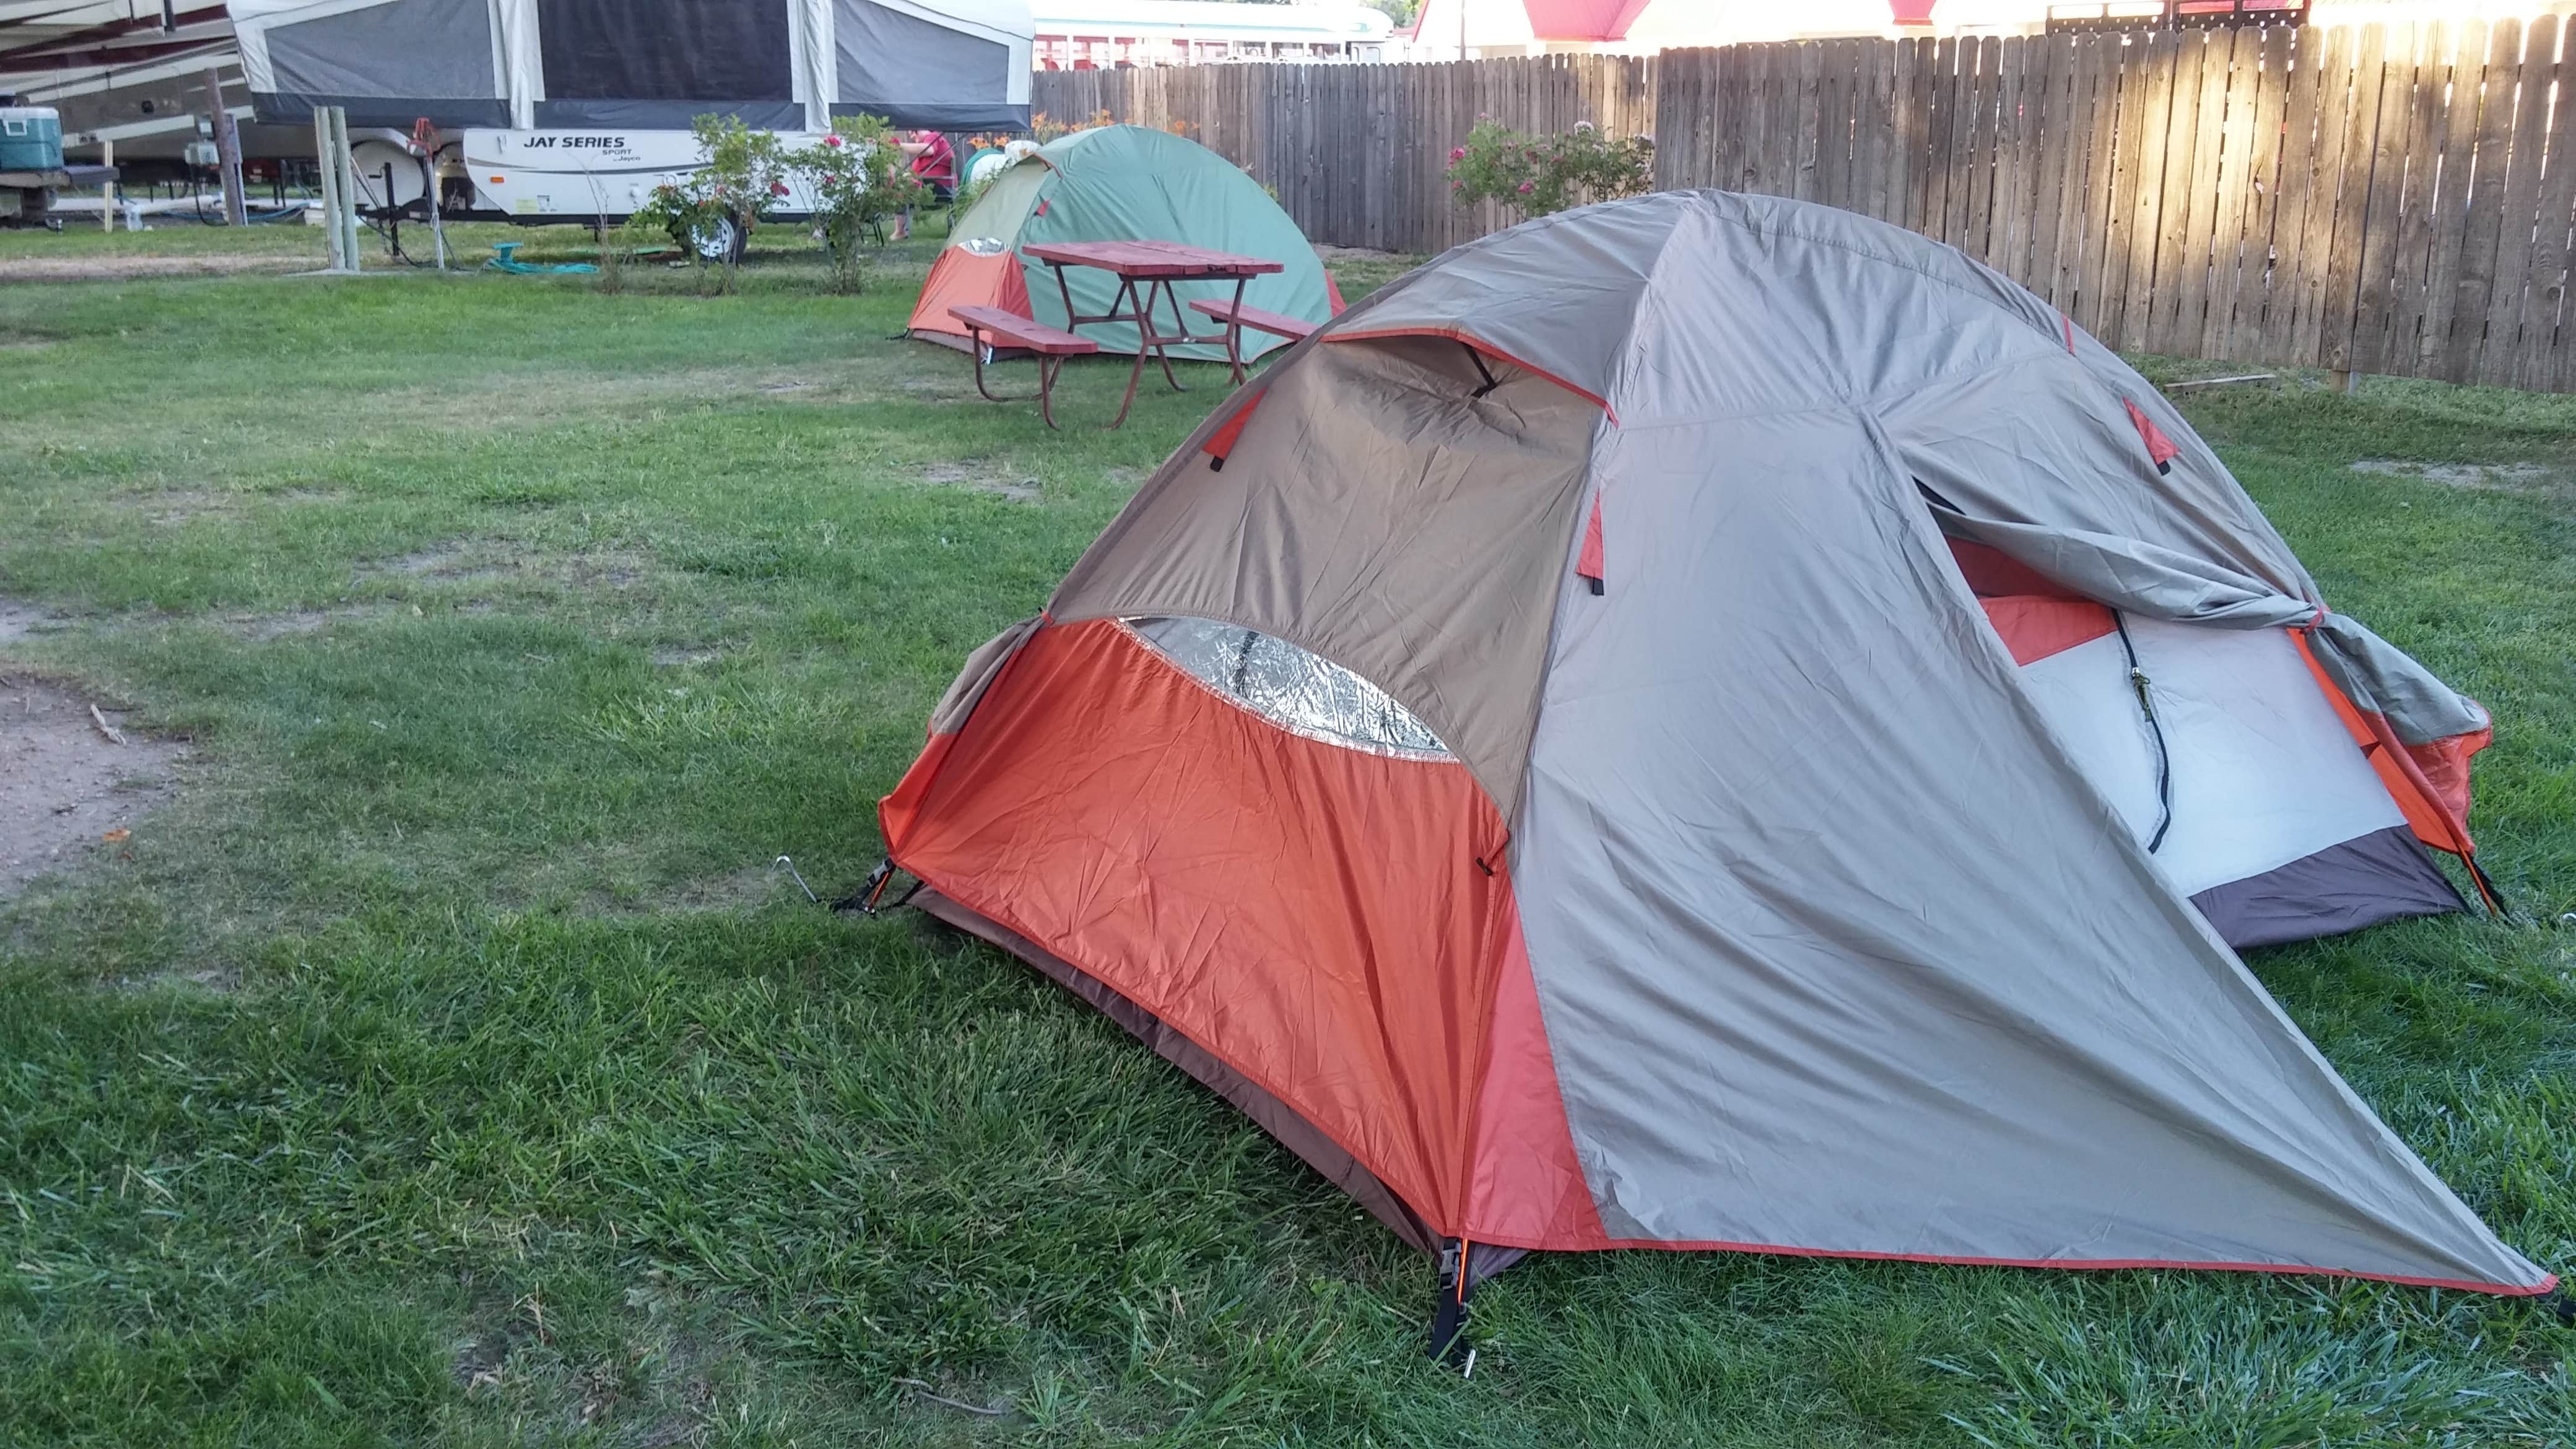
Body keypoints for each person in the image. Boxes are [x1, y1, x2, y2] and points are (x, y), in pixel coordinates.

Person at [890, 131, 955, 240]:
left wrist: (899, 145)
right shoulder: (921, 156)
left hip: (940, 187)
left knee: (902, 186)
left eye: (912, 132)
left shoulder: (933, 136)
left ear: (920, 129)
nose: (911, 136)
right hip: (930, 186)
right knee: (899, 186)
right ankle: (900, 230)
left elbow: (929, 150)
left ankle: (900, 231)